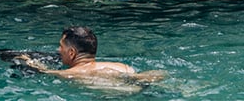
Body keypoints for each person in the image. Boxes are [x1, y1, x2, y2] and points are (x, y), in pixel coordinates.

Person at [17, 26, 164, 83]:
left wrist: (26, 60)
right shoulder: (121, 66)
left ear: (72, 52)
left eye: (61, 46)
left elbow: (44, 72)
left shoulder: (71, 73)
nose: (58, 50)